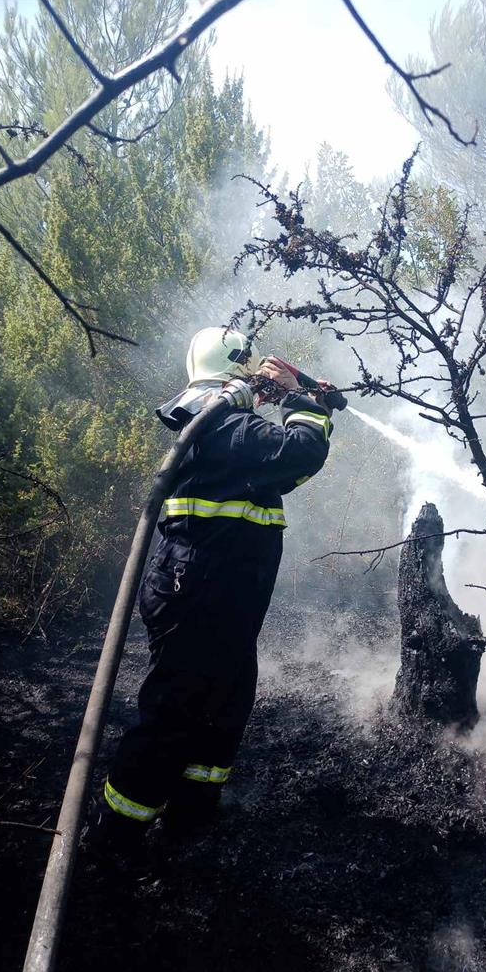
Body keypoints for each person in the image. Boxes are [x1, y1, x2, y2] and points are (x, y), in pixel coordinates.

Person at [89, 327, 333, 858]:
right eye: (249, 372)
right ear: (231, 367)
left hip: (219, 594)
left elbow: (280, 471)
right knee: (175, 713)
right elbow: (296, 453)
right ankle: (116, 837)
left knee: (226, 700)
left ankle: (191, 814)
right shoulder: (214, 418)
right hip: (197, 589)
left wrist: (309, 403)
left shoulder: (228, 426)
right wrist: (299, 403)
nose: (256, 382)